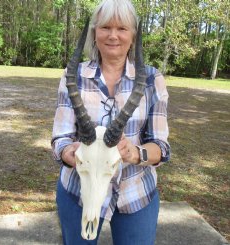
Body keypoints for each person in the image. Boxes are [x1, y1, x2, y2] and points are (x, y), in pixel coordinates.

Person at [51, 0, 170, 244]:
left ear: (133, 35)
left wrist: (134, 153)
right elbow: (60, 138)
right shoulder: (73, 76)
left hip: (135, 193)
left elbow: (161, 147)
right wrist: (69, 152)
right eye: (105, 27)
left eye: (122, 28)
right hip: (79, 191)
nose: (113, 35)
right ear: (94, 32)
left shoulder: (151, 79)